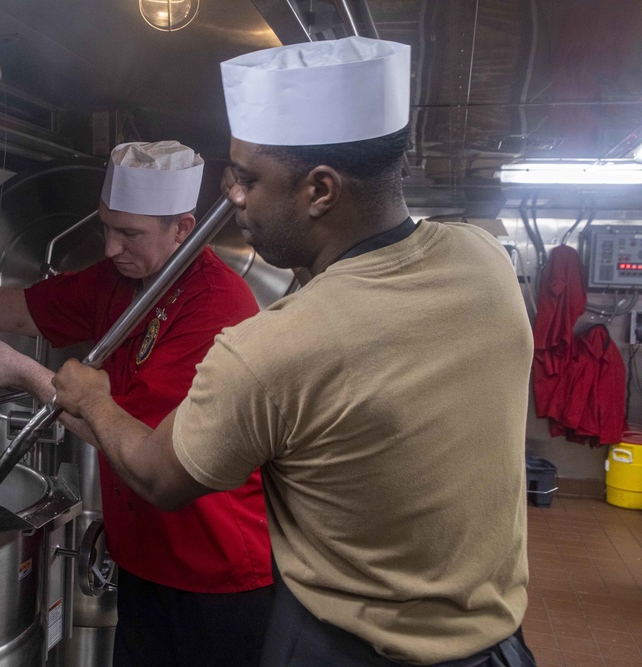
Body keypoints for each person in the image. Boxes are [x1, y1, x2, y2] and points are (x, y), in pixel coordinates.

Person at [51, 37, 538, 666]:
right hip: (499, 651)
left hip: (345, 652)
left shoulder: (274, 349)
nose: (235, 199)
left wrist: (94, 399)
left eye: (250, 179)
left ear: (321, 191)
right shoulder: (486, 260)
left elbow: (156, 475)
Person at [0, 140, 274, 666]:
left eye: (130, 233)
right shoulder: (120, 279)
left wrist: (19, 370)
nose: (112, 248)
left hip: (213, 574)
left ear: (183, 229)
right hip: (144, 560)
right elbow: (25, 310)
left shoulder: (216, 304)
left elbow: (139, 443)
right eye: (106, 227)